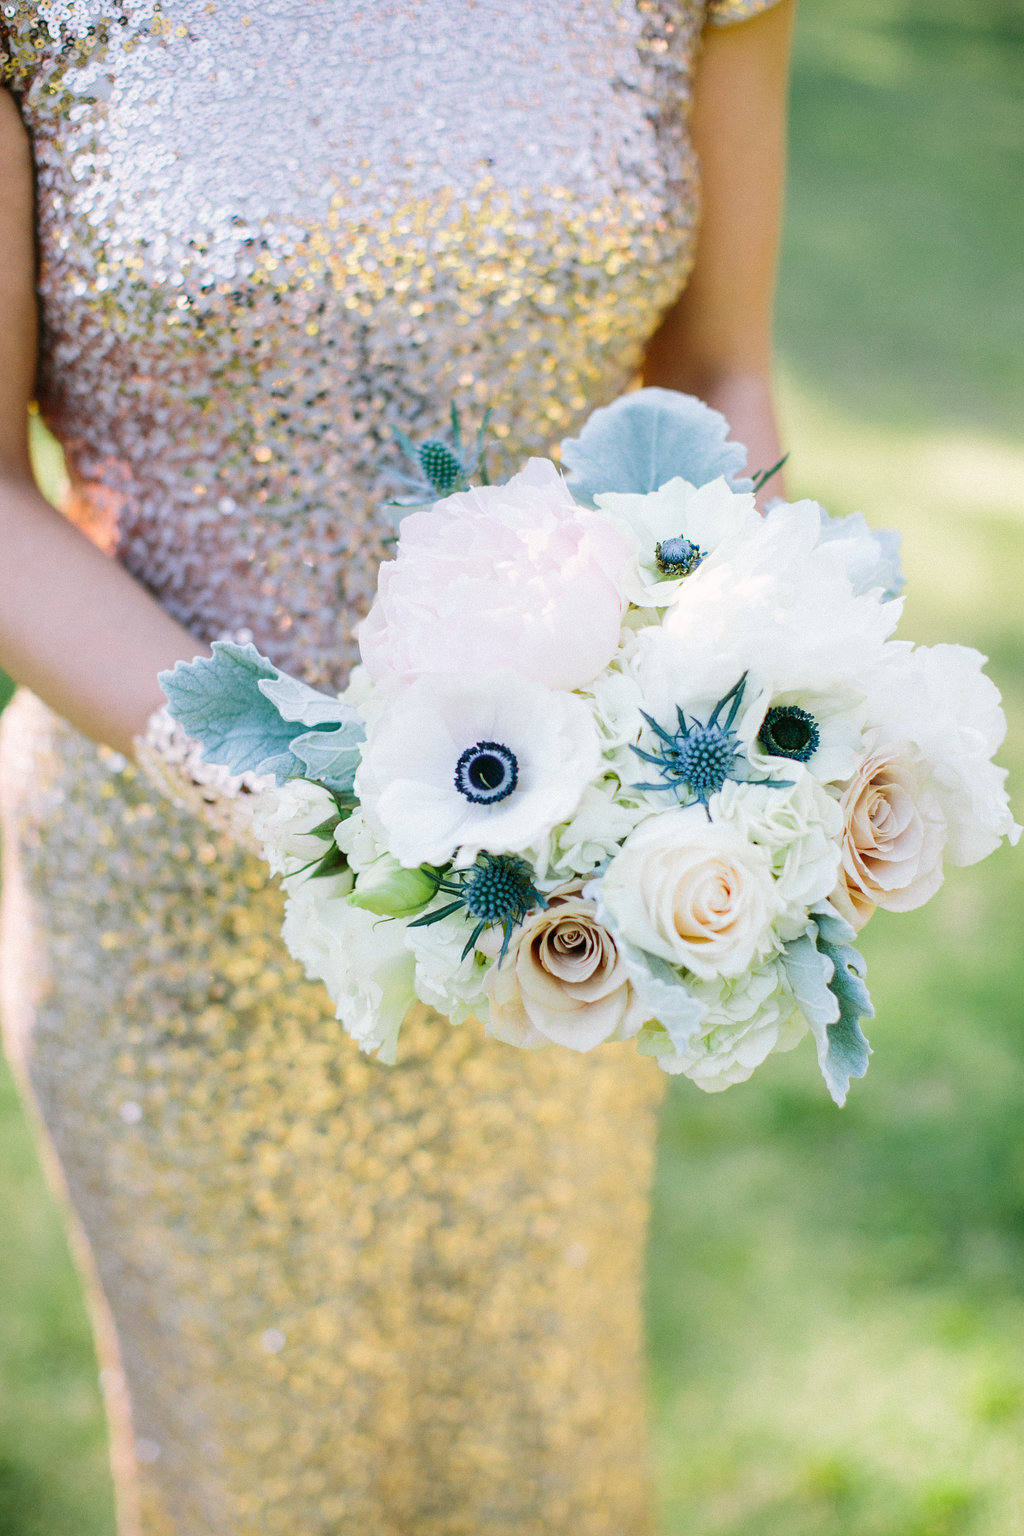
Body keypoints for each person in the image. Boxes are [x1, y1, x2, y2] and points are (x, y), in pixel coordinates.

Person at [0, 2, 794, 1531]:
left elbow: (716, 370)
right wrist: (296, 795)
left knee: (542, 1445)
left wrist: (729, 675)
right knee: (257, 1476)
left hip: (567, 896)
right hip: (177, 913)